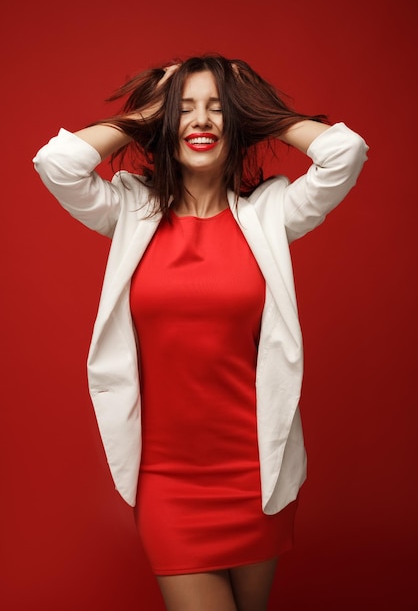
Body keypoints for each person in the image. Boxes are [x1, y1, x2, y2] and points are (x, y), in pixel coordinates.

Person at [33, 54, 368, 611]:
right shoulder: (129, 213)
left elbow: (345, 152)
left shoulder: (270, 215)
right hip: (167, 478)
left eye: (217, 109)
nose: (201, 121)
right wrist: (146, 116)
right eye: (183, 109)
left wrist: (255, 109)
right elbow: (56, 162)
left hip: (256, 475)